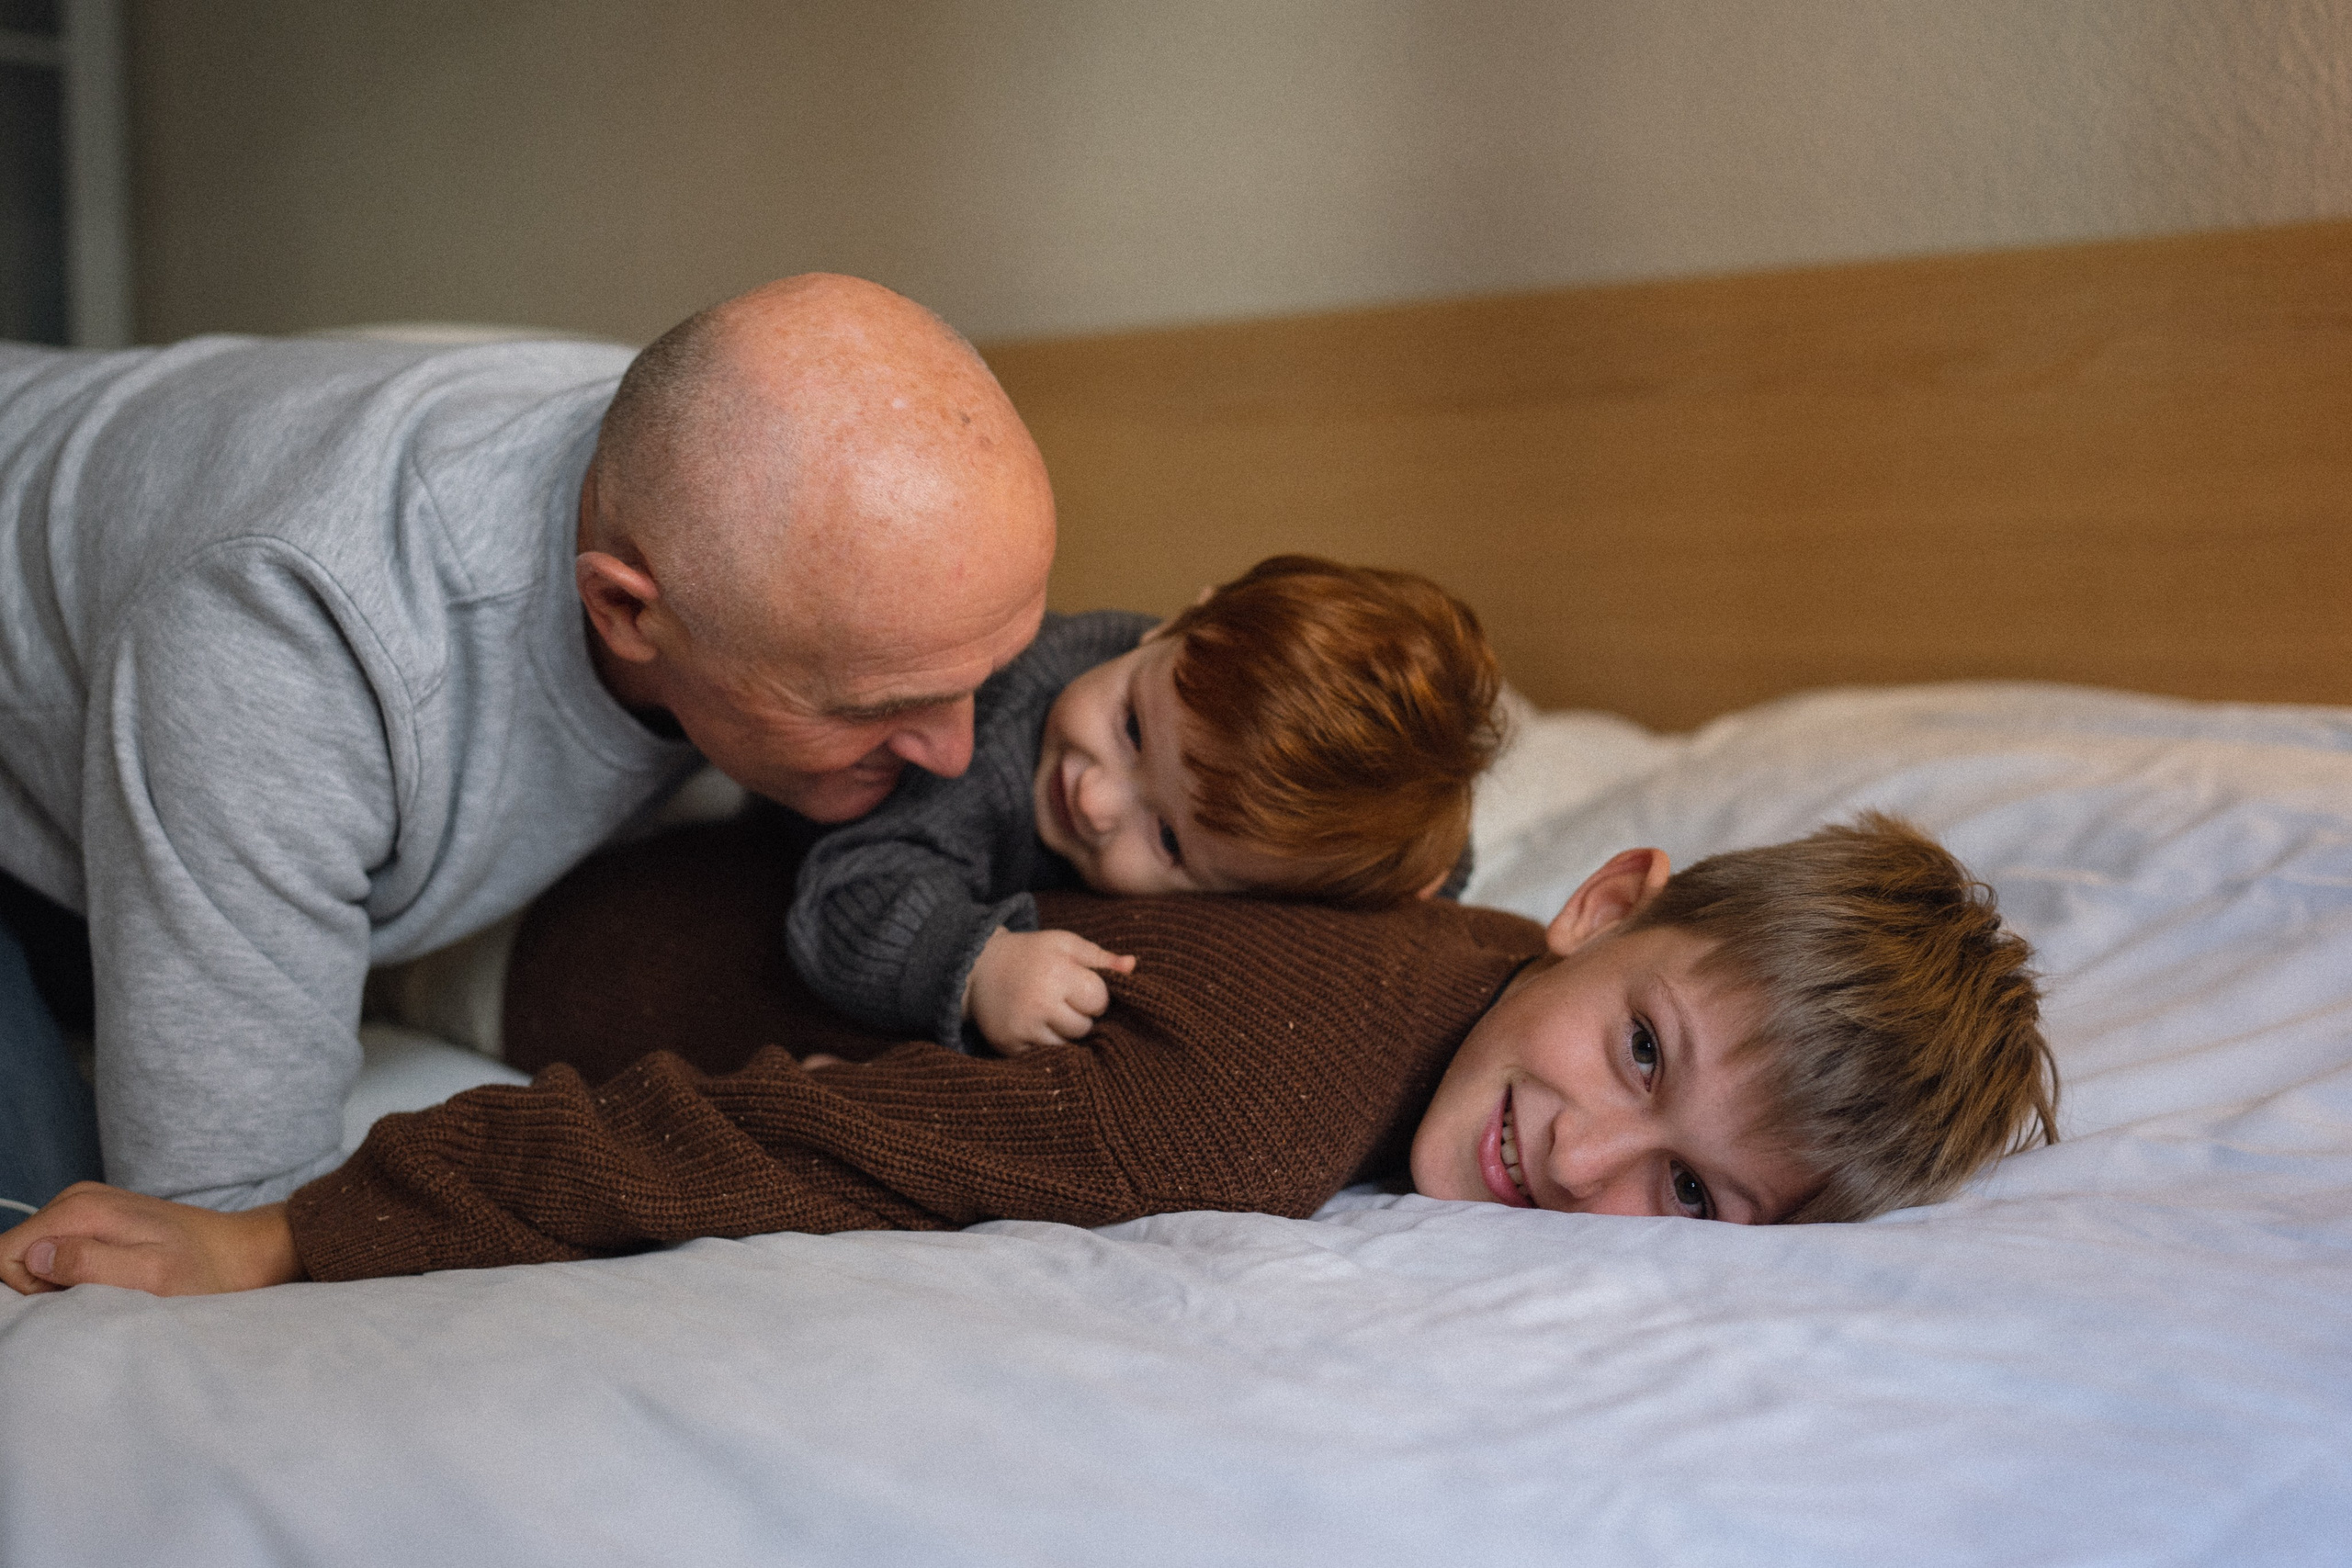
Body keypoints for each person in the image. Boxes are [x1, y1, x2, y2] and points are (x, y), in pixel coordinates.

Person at [0, 274, 1056, 1215]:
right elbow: (217, 1218)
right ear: (629, 613)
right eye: (871, 708)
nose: (955, 753)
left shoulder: (725, 486)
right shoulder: (290, 645)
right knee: (50, 1233)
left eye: (986, 677)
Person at [0, 813, 2061, 1295]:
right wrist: (294, 1234)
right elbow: (760, 1148)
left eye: (1691, 1189)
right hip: (560, 932)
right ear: (1606, 898)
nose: (1584, 1158)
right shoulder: (1250, 1104)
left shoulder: (1450, 915)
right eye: (1638, 1050)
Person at [788, 555, 1503, 1055]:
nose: (1094, 798)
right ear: (1173, 624)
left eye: (1166, 838)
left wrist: (1425, 871)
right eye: (1130, 727)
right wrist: (979, 966)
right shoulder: (984, 742)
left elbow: (1411, 832)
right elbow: (848, 889)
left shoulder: (1266, 807)